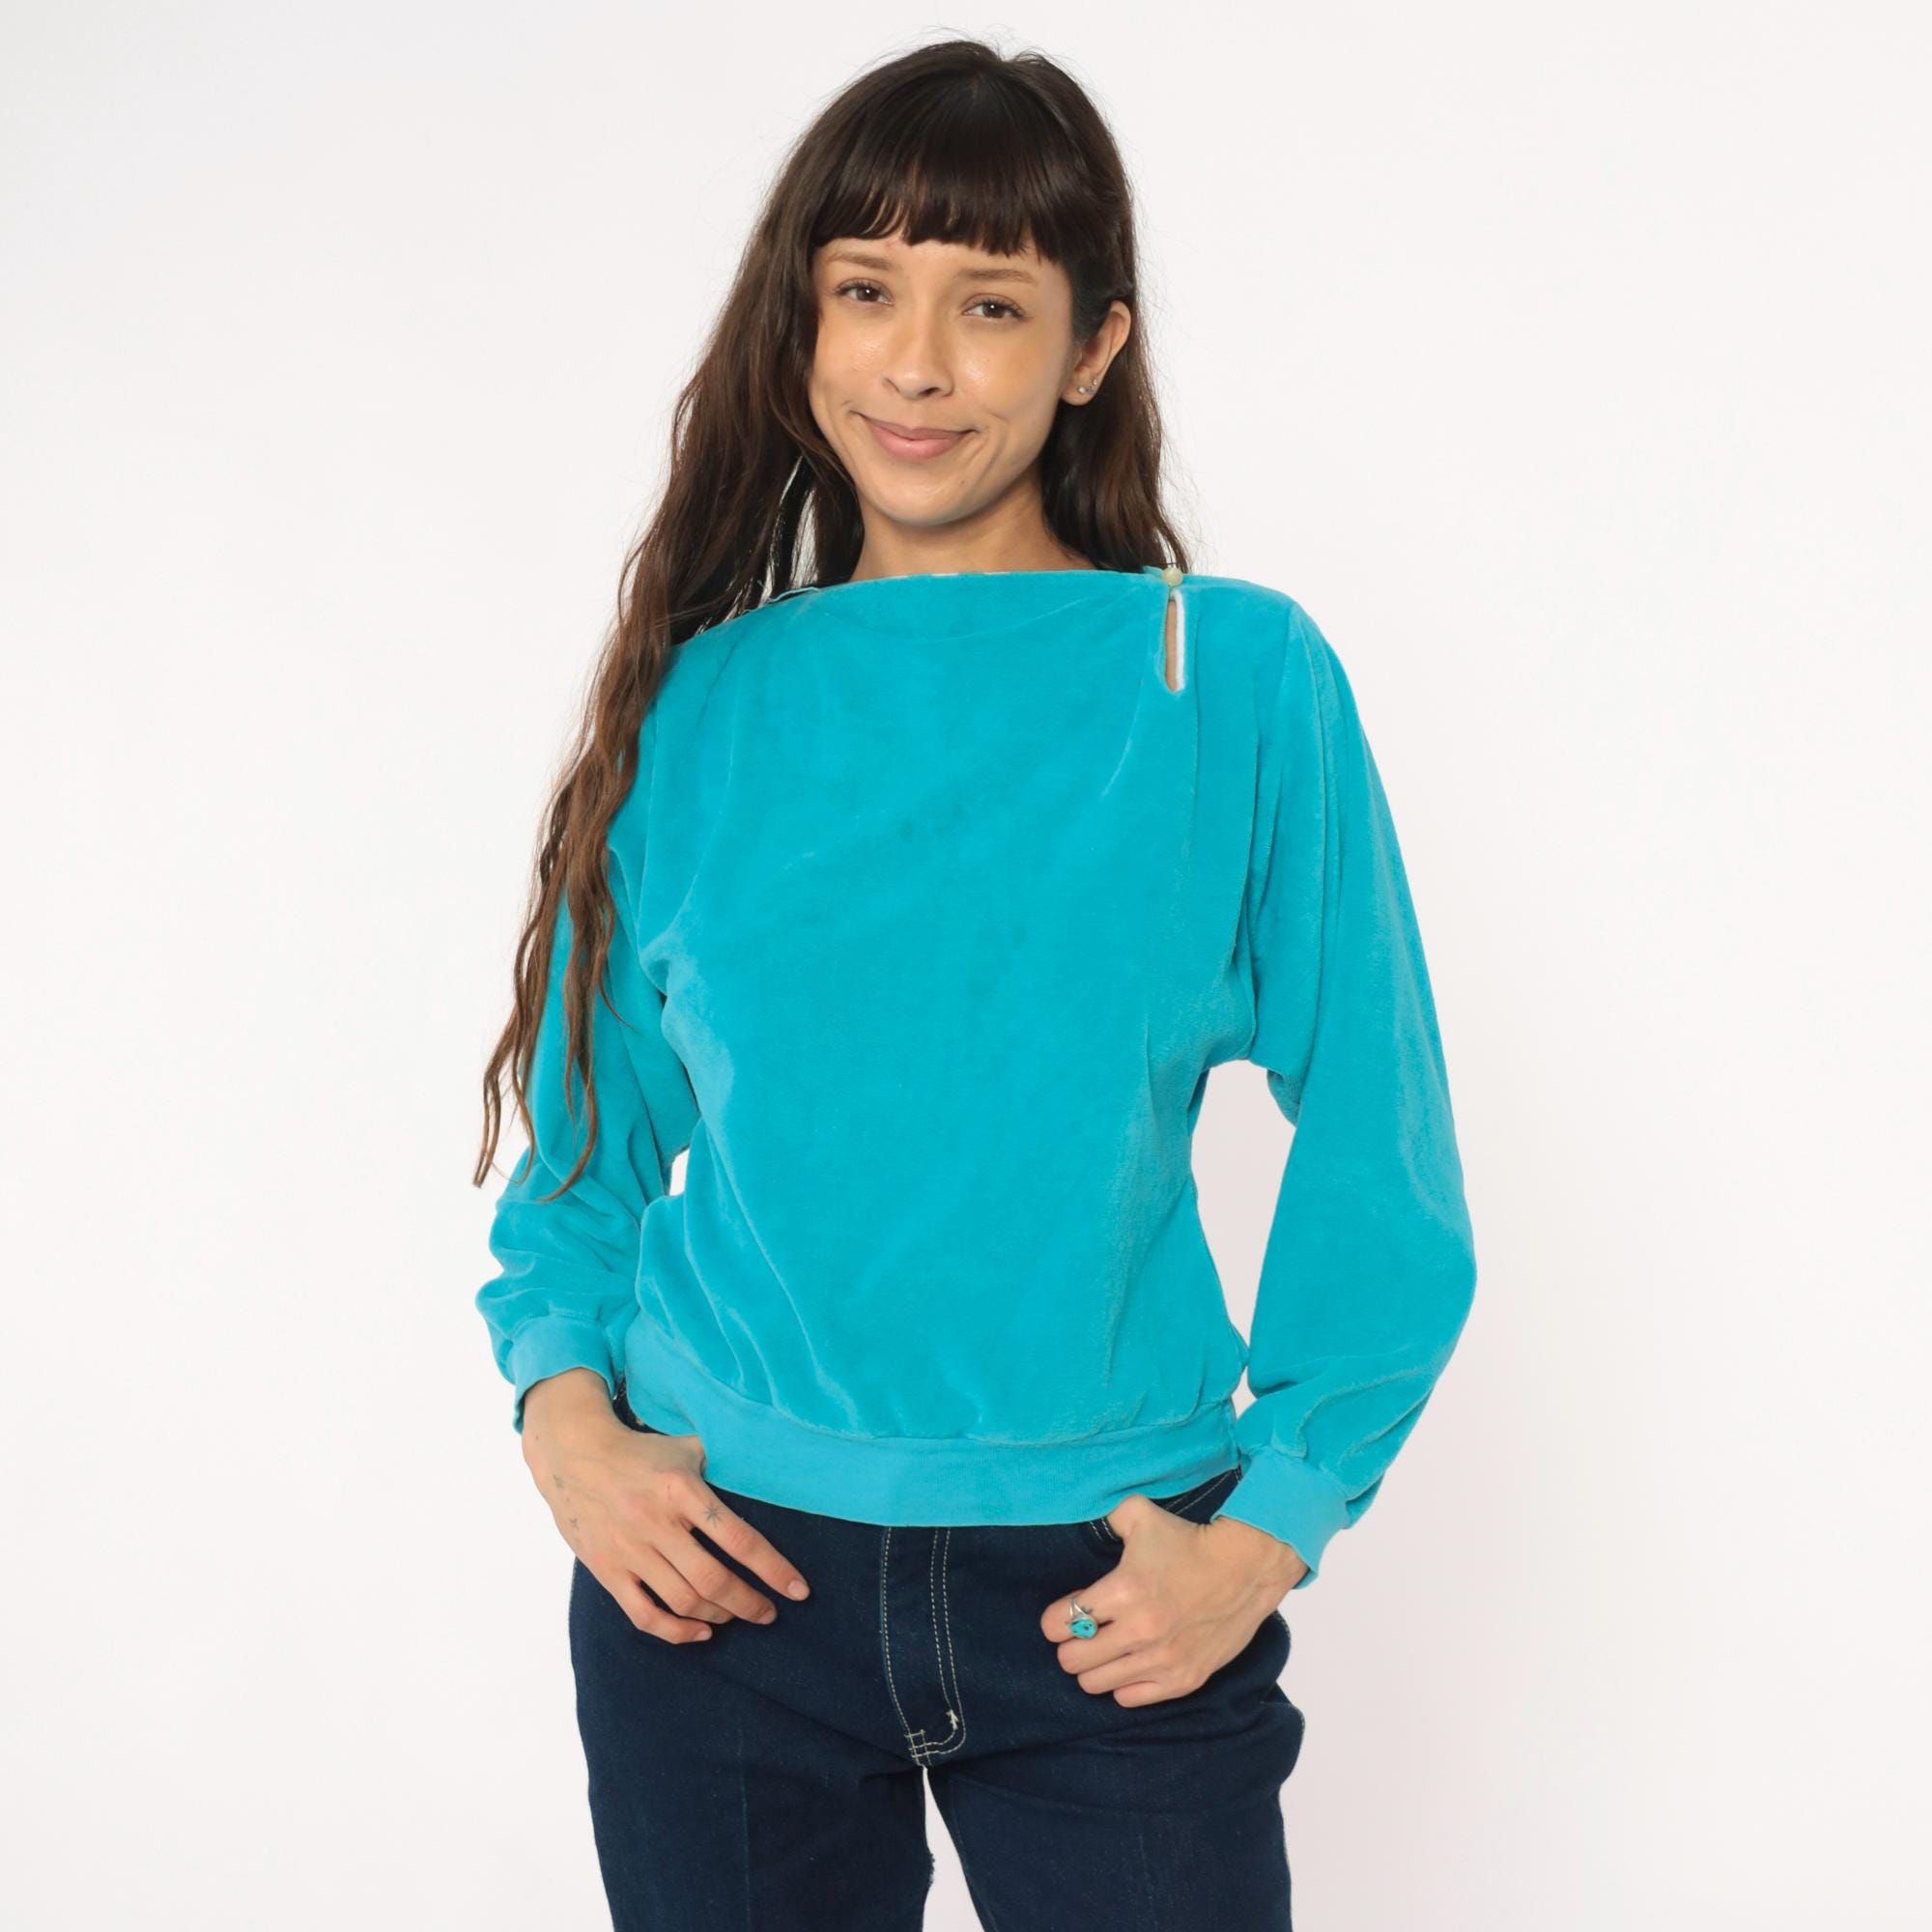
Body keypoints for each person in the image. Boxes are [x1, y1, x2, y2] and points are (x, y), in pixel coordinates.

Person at [469, 37, 1476, 1932]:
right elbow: (585, 1163)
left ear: (1092, 347)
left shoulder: (1232, 682)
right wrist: (566, 1427)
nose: (916, 365)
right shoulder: (708, 704)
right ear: (802, 323)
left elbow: (1379, 1134)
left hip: (1110, 1593)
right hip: (719, 1586)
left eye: (990, 305)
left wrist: (1271, 1522)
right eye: (866, 292)